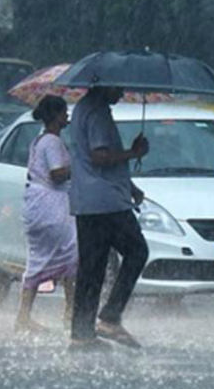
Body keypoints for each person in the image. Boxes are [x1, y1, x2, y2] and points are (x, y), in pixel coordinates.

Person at [67, 86, 149, 350]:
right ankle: (110, 317)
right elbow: (99, 156)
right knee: (137, 251)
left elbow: (89, 159)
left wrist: (130, 186)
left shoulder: (82, 108)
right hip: (107, 201)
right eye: (118, 87)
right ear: (104, 83)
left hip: (87, 201)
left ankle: (81, 334)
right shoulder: (98, 112)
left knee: (91, 269)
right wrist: (133, 153)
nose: (122, 92)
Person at [16, 95, 77, 332]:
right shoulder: (52, 142)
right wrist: (79, 165)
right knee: (73, 255)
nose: (67, 116)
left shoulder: (39, 140)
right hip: (50, 207)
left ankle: (24, 316)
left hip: (38, 206)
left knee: (40, 259)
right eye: (64, 112)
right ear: (55, 116)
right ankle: (70, 312)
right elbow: (57, 174)